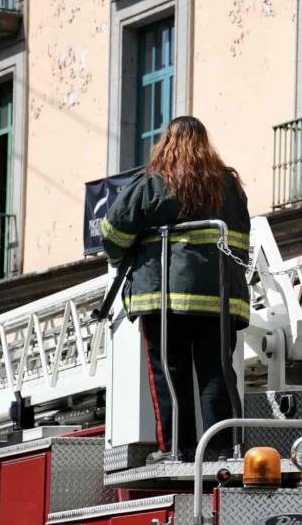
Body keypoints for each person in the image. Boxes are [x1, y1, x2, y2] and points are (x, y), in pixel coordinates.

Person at [101, 116, 251, 463]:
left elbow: (113, 232)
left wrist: (126, 252)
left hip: (164, 298)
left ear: (166, 143)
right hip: (220, 298)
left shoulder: (155, 182)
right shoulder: (228, 186)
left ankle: (177, 450)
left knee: (171, 375)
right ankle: (222, 449)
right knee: (216, 373)